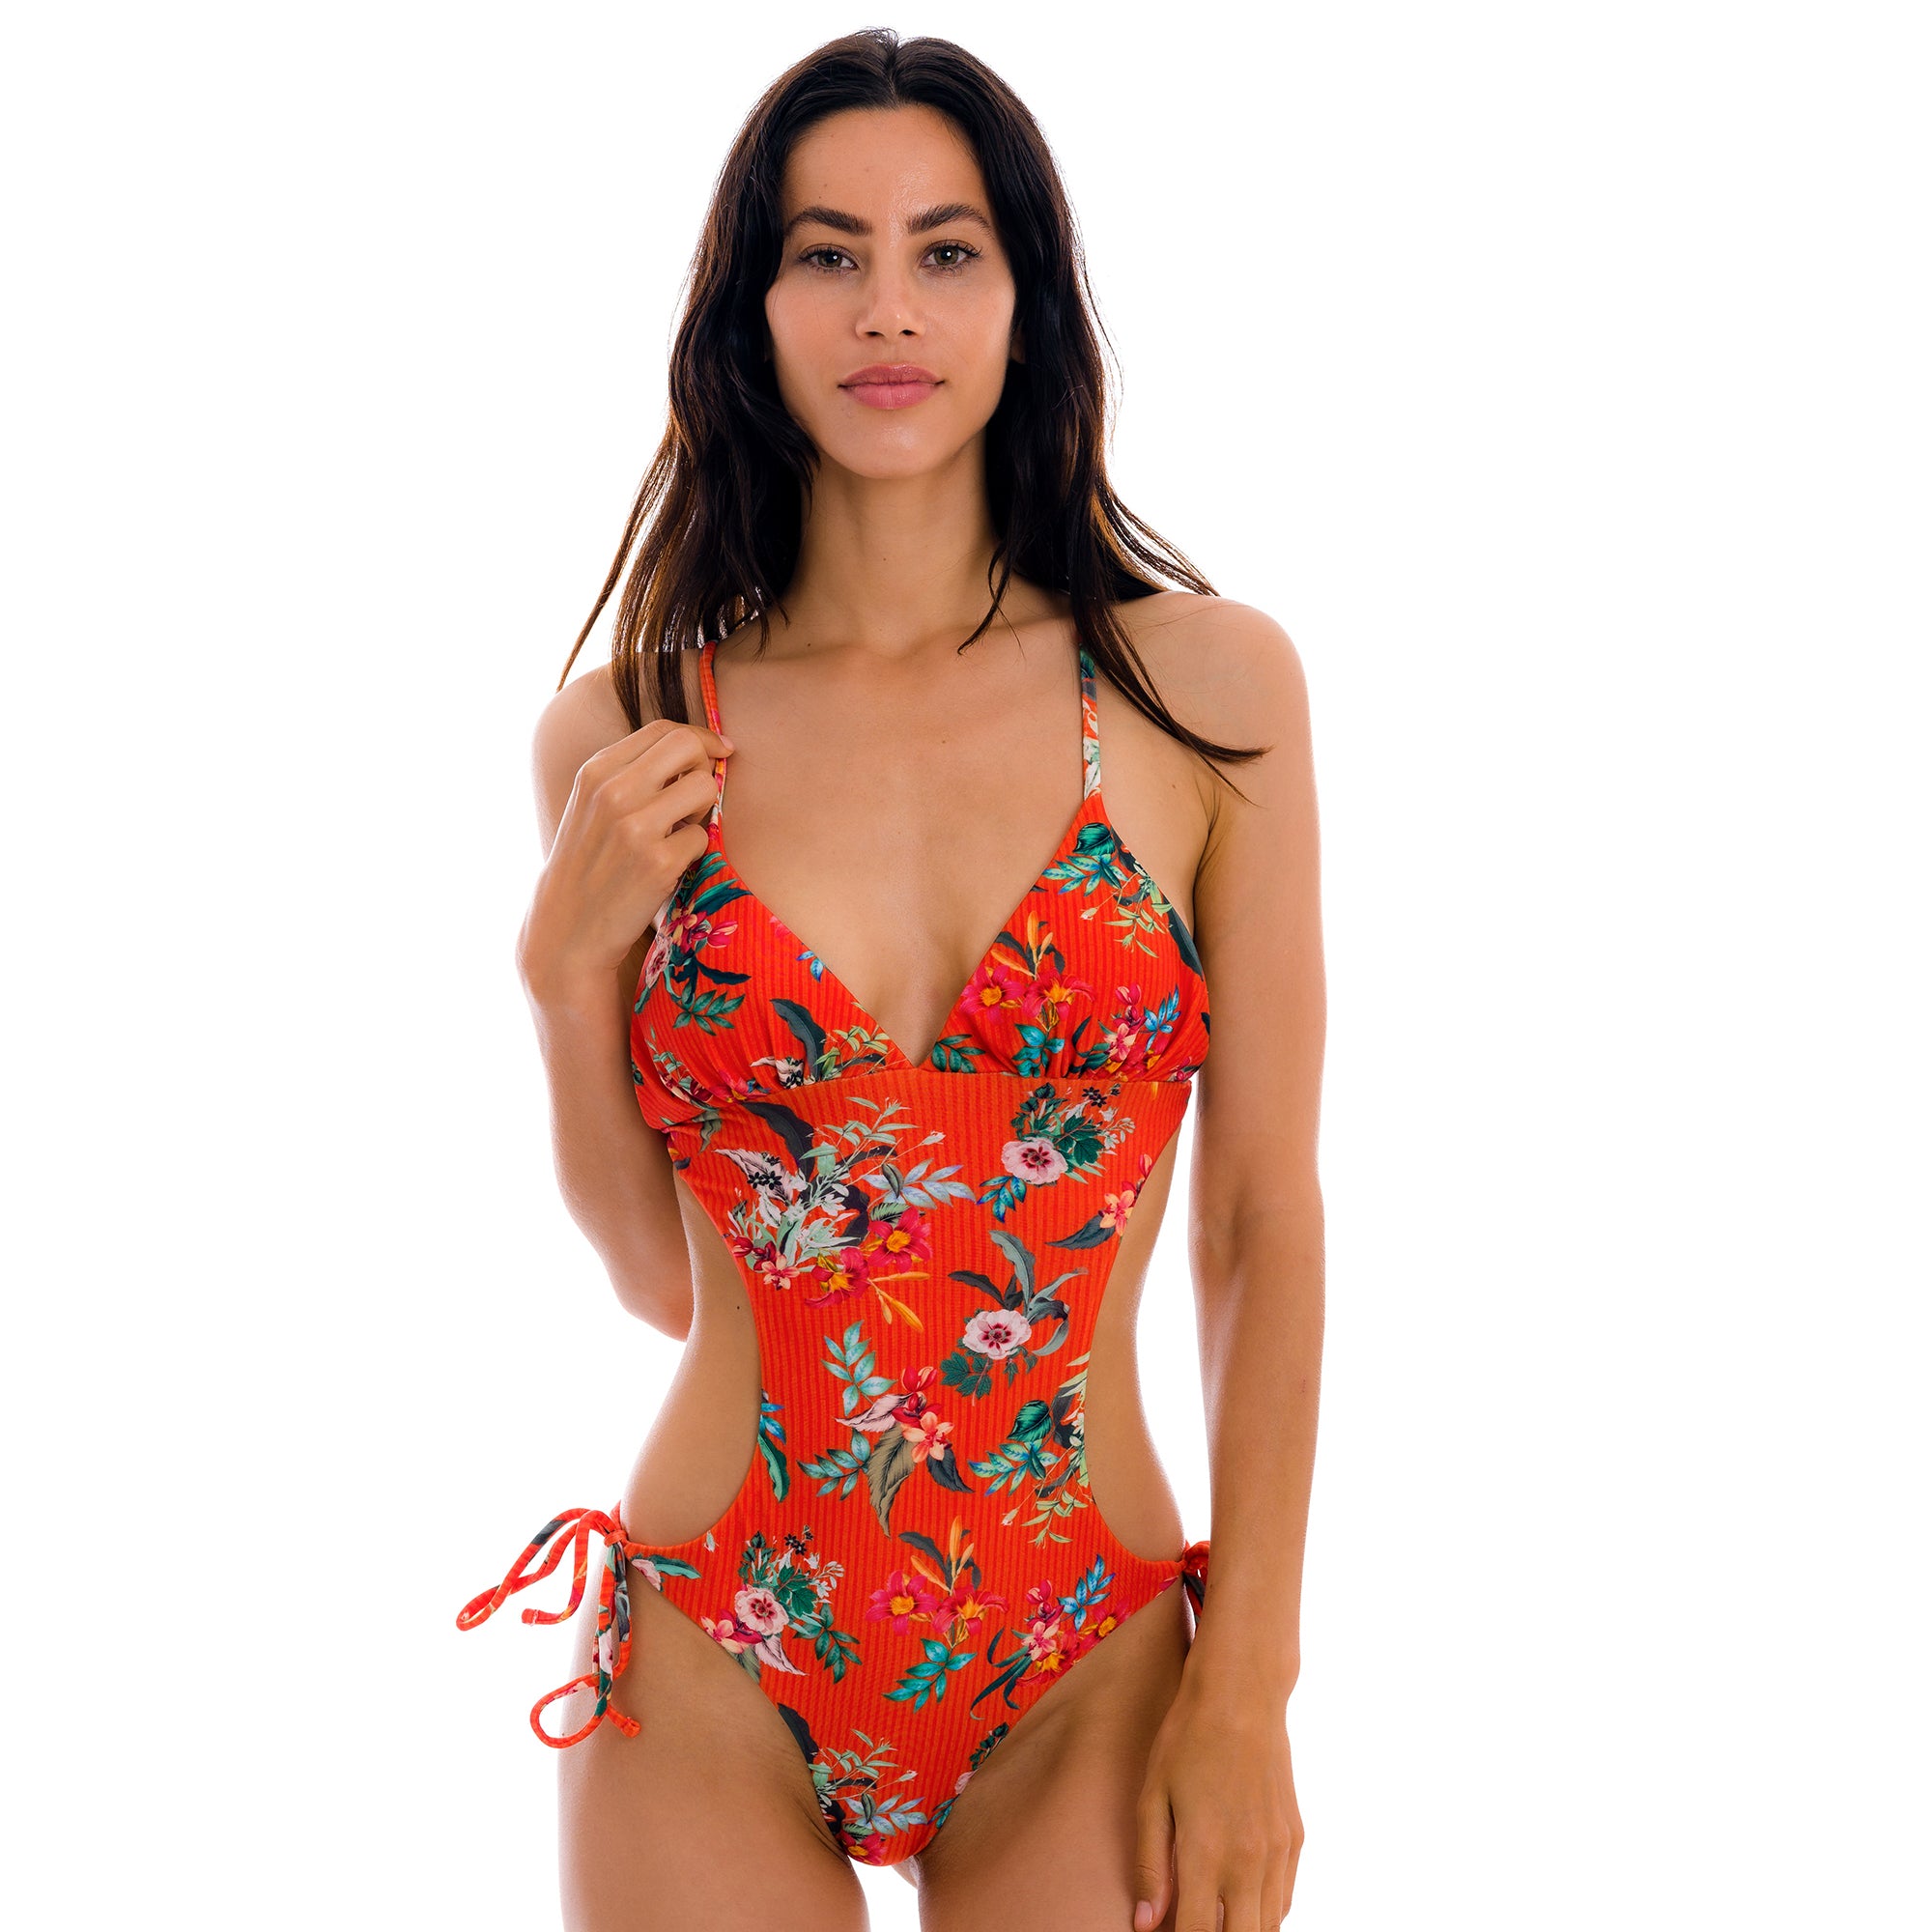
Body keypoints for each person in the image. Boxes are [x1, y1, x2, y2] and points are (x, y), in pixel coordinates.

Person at [457, 28, 1324, 1931]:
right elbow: (661, 1277)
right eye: (825, 253)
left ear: (1027, 300)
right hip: (712, 1641)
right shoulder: (625, 732)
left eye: (945, 250)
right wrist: (560, 976)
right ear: (752, 311)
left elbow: (1259, 1215)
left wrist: (1248, 1685)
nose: (887, 309)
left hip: (1087, 1647)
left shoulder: (1202, 692)